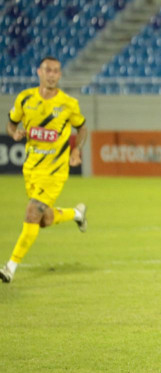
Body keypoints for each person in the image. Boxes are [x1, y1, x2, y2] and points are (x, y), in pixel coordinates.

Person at [1, 57, 88, 284]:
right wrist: (15, 133)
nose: (51, 75)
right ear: (39, 71)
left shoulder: (68, 104)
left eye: (56, 71)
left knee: (32, 211)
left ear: (60, 75)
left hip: (55, 172)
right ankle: (77, 214)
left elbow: (82, 128)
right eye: (48, 70)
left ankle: (10, 267)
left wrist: (76, 150)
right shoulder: (25, 98)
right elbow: (11, 123)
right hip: (31, 169)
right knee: (44, 219)